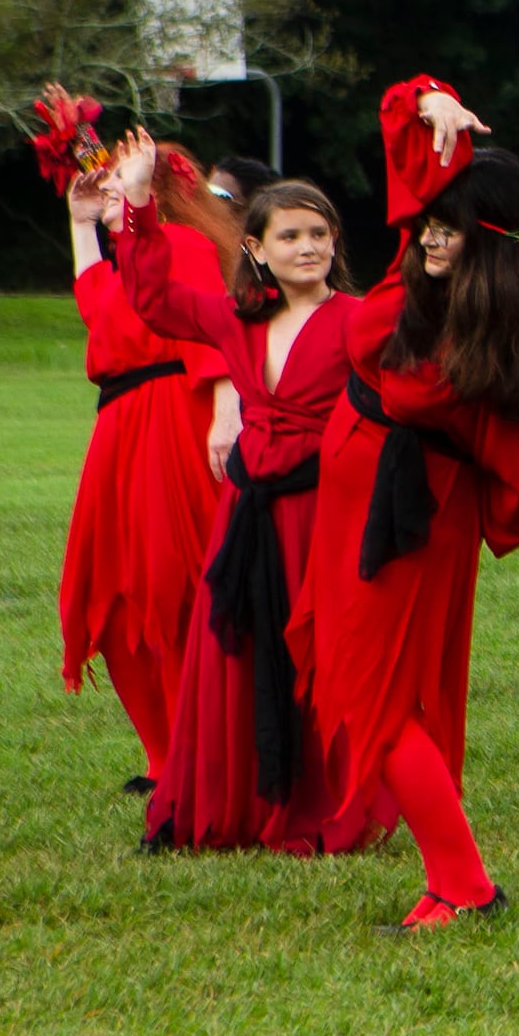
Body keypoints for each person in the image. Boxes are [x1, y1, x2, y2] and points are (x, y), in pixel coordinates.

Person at [292, 78, 519, 927]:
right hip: (355, 506)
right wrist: (435, 104)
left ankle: (464, 886)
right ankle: (455, 881)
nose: (429, 234)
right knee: (358, 690)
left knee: (372, 701)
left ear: (494, 245)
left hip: (408, 522)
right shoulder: (417, 268)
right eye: (429, 220)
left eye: (450, 226)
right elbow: (399, 132)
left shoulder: (492, 347)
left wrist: (478, 510)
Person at [112, 154, 364, 852]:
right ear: (254, 248)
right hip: (250, 511)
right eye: (289, 236)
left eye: (319, 233)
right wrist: (137, 203)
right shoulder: (236, 319)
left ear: (335, 242)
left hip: (324, 513)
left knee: (320, 655)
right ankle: (230, 801)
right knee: (236, 652)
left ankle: (318, 806)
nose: (308, 246)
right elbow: (155, 299)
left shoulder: (361, 321)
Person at [42, 91, 230, 793]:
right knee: (113, 597)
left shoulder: (182, 247)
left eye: (124, 183)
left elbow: (213, 336)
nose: (111, 189)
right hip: (118, 430)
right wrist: (80, 220)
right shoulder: (127, 264)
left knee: (170, 591)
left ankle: (194, 753)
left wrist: (221, 415)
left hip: (171, 422)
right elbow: (95, 298)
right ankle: (163, 755)